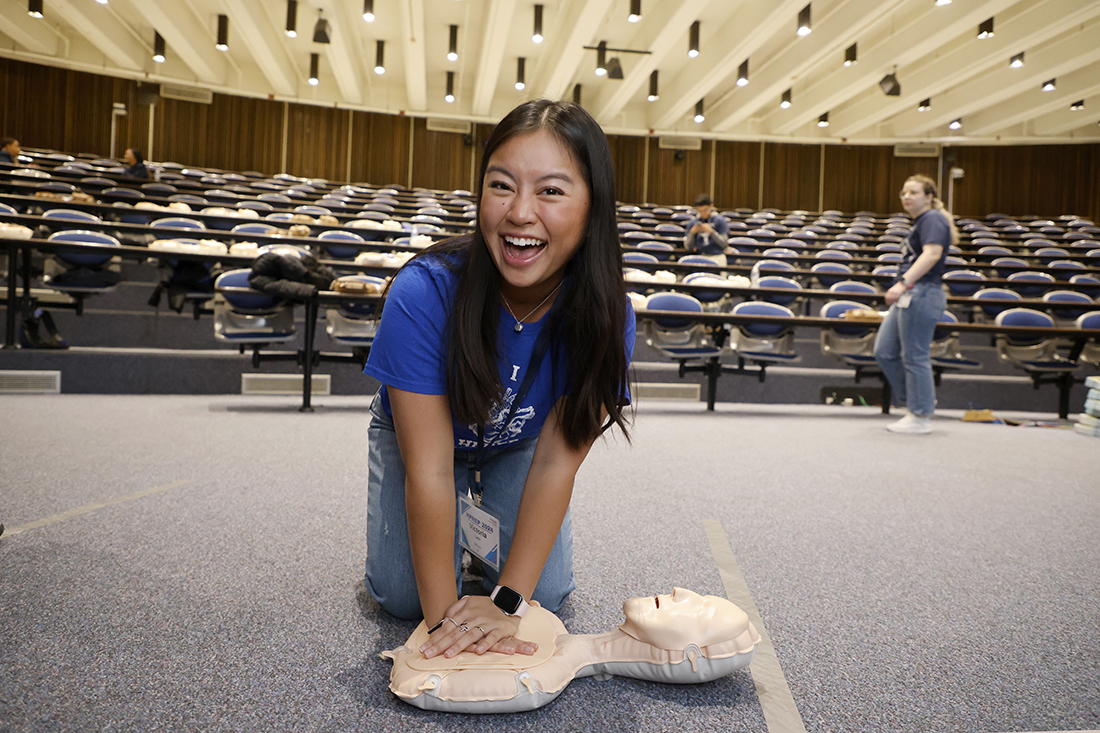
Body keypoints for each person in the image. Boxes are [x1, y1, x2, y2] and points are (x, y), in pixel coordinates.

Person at [363, 99, 635, 661]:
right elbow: (431, 468)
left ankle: (476, 537)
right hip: (424, 447)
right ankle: (457, 547)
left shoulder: (608, 318)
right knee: (402, 597)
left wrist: (508, 601)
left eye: (552, 191)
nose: (519, 212)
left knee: (548, 594)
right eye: (501, 185)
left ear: (593, 209)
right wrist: (445, 627)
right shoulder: (424, 292)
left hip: (517, 443)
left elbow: (558, 462)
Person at [872, 174, 957, 434]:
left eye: (914, 192)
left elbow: (932, 254)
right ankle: (917, 402)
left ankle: (920, 415)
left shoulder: (932, 219)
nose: (906, 197)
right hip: (912, 295)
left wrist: (903, 283)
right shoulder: (921, 222)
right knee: (884, 351)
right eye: (904, 192)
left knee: (915, 356)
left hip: (922, 292)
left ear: (929, 197)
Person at [683, 193, 729, 263]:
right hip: (699, 255)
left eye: (705, 210)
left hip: (717, 255)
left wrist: (711, 232)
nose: (703, 213)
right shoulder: (694, 222)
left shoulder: (720, 221)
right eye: (700, 211)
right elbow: (687, 247)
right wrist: (692, 233)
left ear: (711, 206)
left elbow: (724, 244)